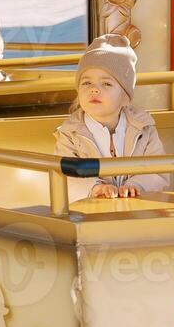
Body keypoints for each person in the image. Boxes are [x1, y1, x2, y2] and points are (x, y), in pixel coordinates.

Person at [54, 35, 167, 203]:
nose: (94, 89)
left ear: (125, 97)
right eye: (86, 83)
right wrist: (95, 188)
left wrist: (136, 185)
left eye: (106, 84)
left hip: (138, 209)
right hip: (90, 213)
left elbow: (158, 171)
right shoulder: (70, 134)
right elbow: (65, 177)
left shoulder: (144, 128)